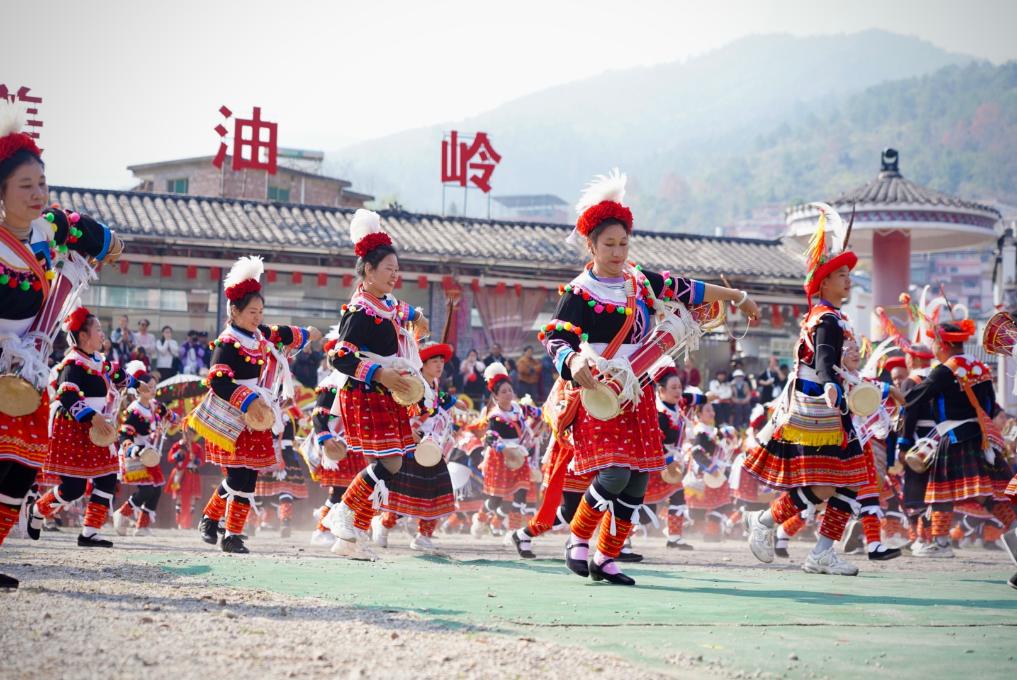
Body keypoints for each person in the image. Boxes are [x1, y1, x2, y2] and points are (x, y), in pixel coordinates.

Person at [540, 169, 758, 585]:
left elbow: (688, 289)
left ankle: (606, 558)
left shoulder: (640, 282)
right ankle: (578, 540)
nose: (617, 251)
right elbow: (556, 338)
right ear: (591, 245)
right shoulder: (579, 291)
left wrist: (736, 296)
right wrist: (572, 362)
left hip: (636, 391)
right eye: (609, 244)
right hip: (598, 391)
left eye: (623, 243)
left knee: (638, 479)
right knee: (614, 474)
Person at [0, 105, 123, 588]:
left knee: (23, 466)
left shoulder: (50, 228)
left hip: (28, 367)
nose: (37, 194)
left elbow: (88, 230)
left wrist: (109, 244)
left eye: (42, 184)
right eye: (25, 186)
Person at [742, 203, 867, 576]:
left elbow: (832, 360)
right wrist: (831, 382)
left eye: (848, 275)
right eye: (841, 275)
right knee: (830, 485)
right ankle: (766, 521)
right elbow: (825, 357)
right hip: (820, 410)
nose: (848, 280)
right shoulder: (827, 319)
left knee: (847, 483)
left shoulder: (830, 316)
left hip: (829, 408)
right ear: (823, 283)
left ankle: (820, 551)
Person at [319, 209, 430, 559]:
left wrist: (419, 317)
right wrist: (380, 374)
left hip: (386, 393)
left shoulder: (386, 302)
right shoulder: (360, 311)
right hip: (366, 391)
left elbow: (403, 310)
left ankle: (351, 536)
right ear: (368, 270)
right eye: (388, 270)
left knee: (392, 464)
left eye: (397, 270)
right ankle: (343, 512)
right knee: (390, 463)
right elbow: (340, 357)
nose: (395, 276)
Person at [190, 256, 319, 554]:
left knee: (248, 478)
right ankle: (212, 519)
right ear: (234, 311)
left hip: (257, 415)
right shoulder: (227, 342)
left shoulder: (260, 335)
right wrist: (248, 401)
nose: (257, 317)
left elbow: (283, 333)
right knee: (237, 475)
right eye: (252, 311)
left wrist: (307, 334)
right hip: (233, 415)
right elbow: (218, 381)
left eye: (260, 312)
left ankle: (232, 534)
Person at [901, 318, 1016, 564]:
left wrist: (893, 393)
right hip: (981, 437)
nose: (932, 348)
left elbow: (914, 397)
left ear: (942, 344)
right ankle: (1014, 526)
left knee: (941, 492)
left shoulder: (945, 370)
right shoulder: (981, 368)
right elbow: (990, 405)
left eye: (934, 343)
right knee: (986, 492)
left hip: (954, 437)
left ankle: (941, 543)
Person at [30, 309, 142, 549]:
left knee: (108, 478)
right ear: (83, 336)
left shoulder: (98, 360)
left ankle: (89, 533)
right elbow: (67, 395)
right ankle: (38, 510)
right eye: (98, 330)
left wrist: (138, 384)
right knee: (74, 488)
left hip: (98, 427)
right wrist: (92, 417)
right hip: (75, 427)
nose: (102, 334)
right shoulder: (73, 364)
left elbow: (118, 374)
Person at [373, 341, 459, 552]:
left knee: (436, 491)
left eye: (441, 361)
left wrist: (456, 403)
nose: (439, 365)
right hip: (411, 445)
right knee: (402, 493)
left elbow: (441, 402)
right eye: (434, 361)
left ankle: (424, 535)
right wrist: (407, 433)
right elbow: (397, 411)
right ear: (423, 364)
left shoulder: (435, 387)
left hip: (432, 447)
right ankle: (383, 524)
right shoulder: (412, 385)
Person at [475, 362, 538, 541]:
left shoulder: (519, 408)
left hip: (520, 456)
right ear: (495, 396)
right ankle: (480, 519)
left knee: (521, 493)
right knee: (496, 499)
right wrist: (504, 450)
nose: (508, 394)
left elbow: (538, 413)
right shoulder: (495, 416)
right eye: (503, 392)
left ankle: (513, 532)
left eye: (510, 390)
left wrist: (550, 413)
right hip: (501, 458)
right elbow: (490, 437)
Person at [112, 374, 175, 536]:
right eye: (149, 386)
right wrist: (132, 448)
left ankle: (142, 526)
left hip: (149, 454)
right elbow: (124, 434)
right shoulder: (134, 410)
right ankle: (122, 513)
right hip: (135, 453)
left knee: (156, 489)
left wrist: (180, 420)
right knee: (147, 490)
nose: (153, 389)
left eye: (155, 386)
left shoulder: (155, 406)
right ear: (139, 389)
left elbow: (169, 415)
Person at [167, 428, 204, 530]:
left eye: (190, 434)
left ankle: (188, 523)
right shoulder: (178, 446)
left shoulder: (197, 447)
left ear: (194, 435)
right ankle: (179, 523)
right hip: (180, 475)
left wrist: (195, 459)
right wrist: (178, 454)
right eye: (186, 434)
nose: (188, 437)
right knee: (179, 498)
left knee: (192, 499)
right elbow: (170, 458)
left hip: (192, 475)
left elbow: (201, 461)